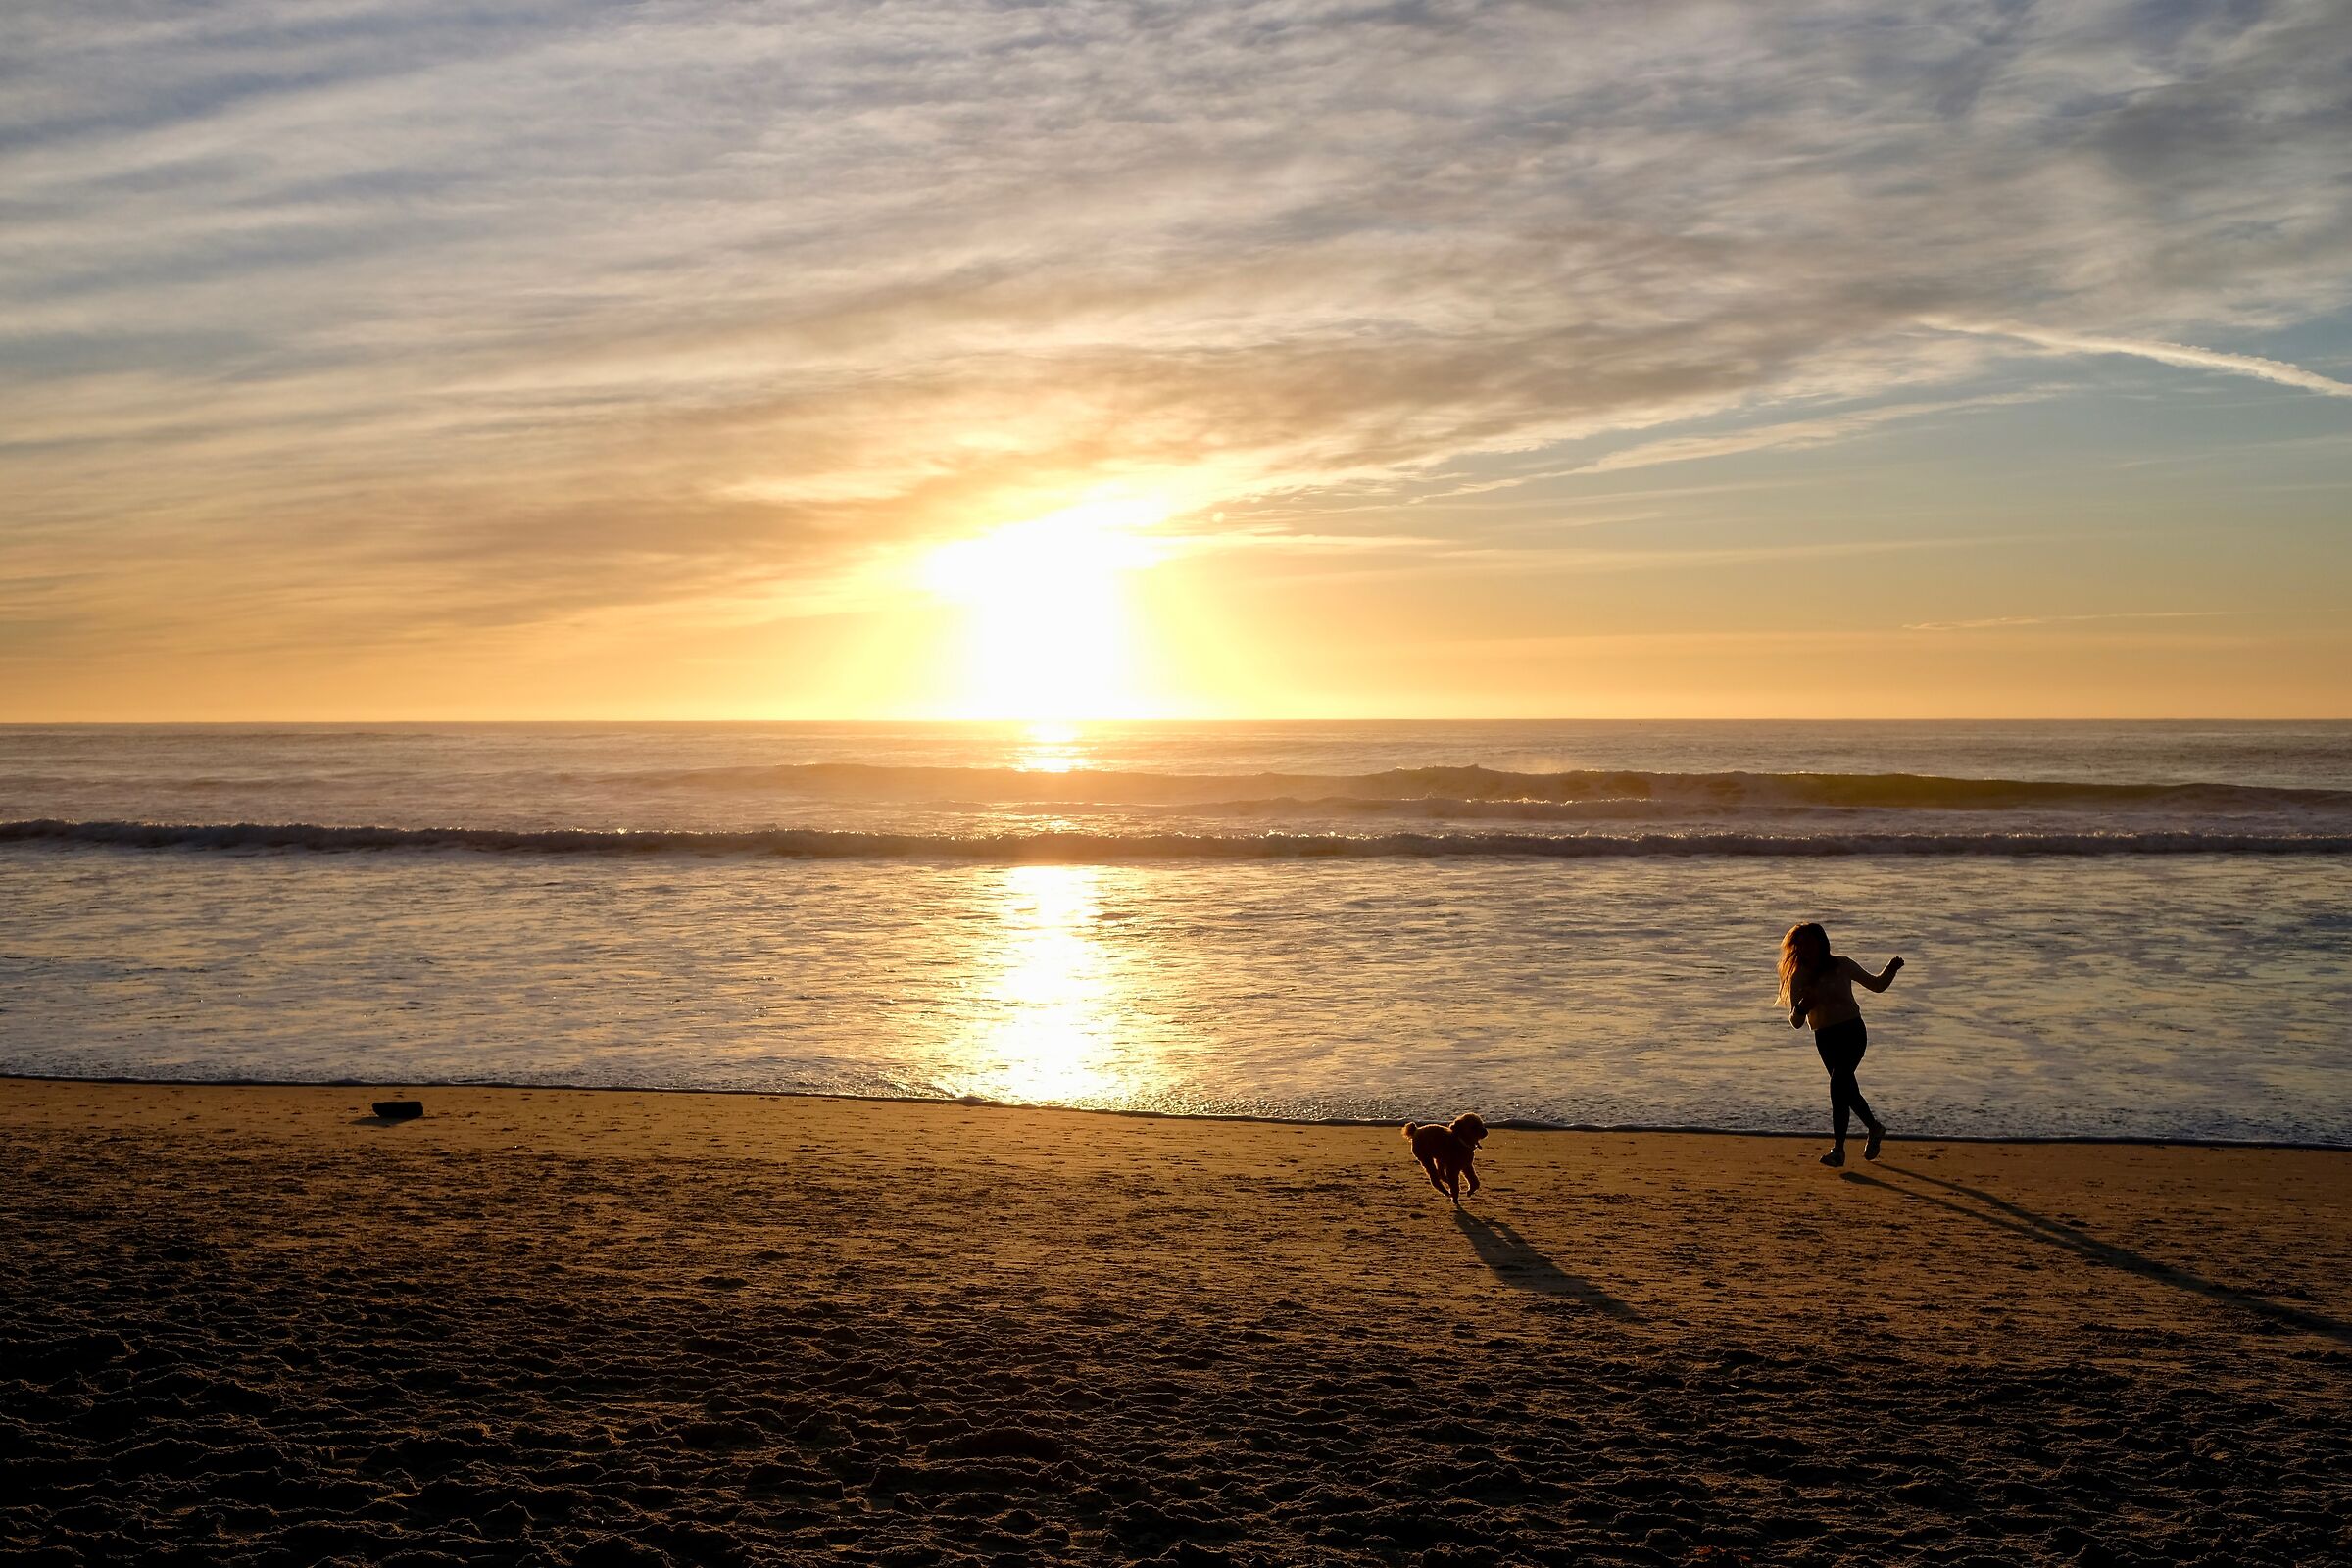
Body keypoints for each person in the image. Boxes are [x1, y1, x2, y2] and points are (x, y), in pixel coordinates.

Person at [1777, 922, 1903, 1167]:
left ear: (1822, 943)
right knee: (1847, 1090)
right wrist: (1802, 1007)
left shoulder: (1842, 964)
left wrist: (1891, 968)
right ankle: (1875, 1128)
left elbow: (1877, 985)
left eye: (1810, 942)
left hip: (1852, 1031)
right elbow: (1796, 1021)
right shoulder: (1799, 975)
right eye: (1800, 944)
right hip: (1824, 1038)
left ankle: (1838, 1150)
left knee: (1837, 1086)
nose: (1805, 948)